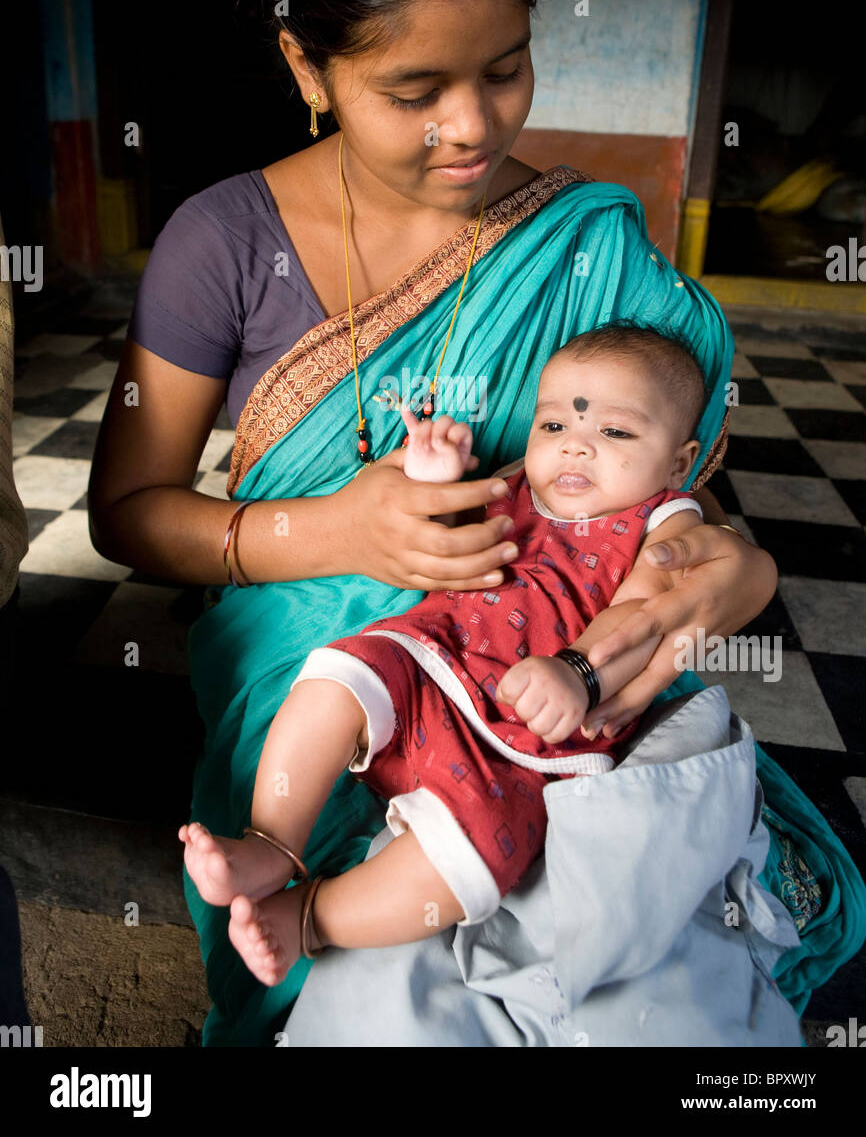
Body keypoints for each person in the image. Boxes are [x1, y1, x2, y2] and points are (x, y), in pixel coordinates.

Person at [88, 0, 865, 1046]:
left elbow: (643, 498)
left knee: (635, 963)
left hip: (546, 665)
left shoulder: (580, 249)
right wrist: (337, 528)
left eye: (504, 69)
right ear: (306, 63)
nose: (472, 127)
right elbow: (127, 513)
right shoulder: (221, 242)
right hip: (338, 685)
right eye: (414, 91)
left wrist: (722, 571)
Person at [181, 323, 715, 982]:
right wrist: (437, 487)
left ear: (677, 462)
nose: (575, 447)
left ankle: (309, 919)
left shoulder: (665, 519)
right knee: (335, 676)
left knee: (473, 860)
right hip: (432, 663)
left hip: (523, 740)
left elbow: (645, 615)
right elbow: (454, 551)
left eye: (616, 433)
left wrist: (580, 673)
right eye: (553, 428)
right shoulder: (519, 482)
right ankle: (271, 841)